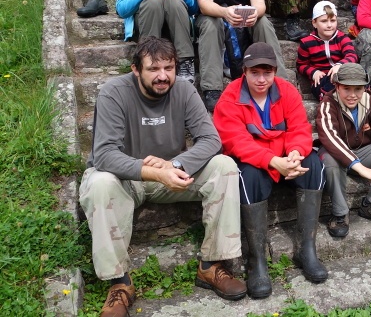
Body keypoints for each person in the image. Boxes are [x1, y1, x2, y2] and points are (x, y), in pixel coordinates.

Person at [79, 37, 247, 316]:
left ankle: (212, 265)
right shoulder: (113, 92)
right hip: (126, 180)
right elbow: (105, 155)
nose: (162, 76)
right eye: (153, 69)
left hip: (171, 174)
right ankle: (119, 283)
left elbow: (211, 140)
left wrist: (174, 165)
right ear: (136, 70)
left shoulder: (184, 89)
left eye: (169, 68)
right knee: (99, 182)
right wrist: (154, 172)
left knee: (224, 165)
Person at [214, 42, 328, 297]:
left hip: (286, 157)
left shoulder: (286, 90)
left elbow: (299, 127)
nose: (261, 79)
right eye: (255, 73)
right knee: (247, 175)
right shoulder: (231, 96)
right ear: (244, 71)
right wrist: (272, 161)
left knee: (314, 164)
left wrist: (296, 153)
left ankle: (306, 249)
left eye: (267, 73)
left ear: (275, 71)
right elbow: (234, 140)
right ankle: (257, 260)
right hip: (257, 161)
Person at [316, 63, 371, 238]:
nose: (352, 95)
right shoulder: (327, 104)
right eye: (346, 88)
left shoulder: (369, 101)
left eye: (358, 89)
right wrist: (361, 169)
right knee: (328, 158)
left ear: (365, 88)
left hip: (362, 152)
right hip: (337, 156)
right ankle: (340, 213)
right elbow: (330, 138)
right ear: (337, 86)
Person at [296, 1, 358, 100]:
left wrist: (340, 65)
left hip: (342, 76)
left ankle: (354, 96)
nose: (329, 25)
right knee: (330, 83)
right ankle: (331, 98)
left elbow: (352, 55)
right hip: (322, 80)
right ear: (314, 23)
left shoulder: (342, 38)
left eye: (332, 20)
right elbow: (301, 65)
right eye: (324, 21)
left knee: (359, 73)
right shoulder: (306, 43)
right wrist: (313, 72)